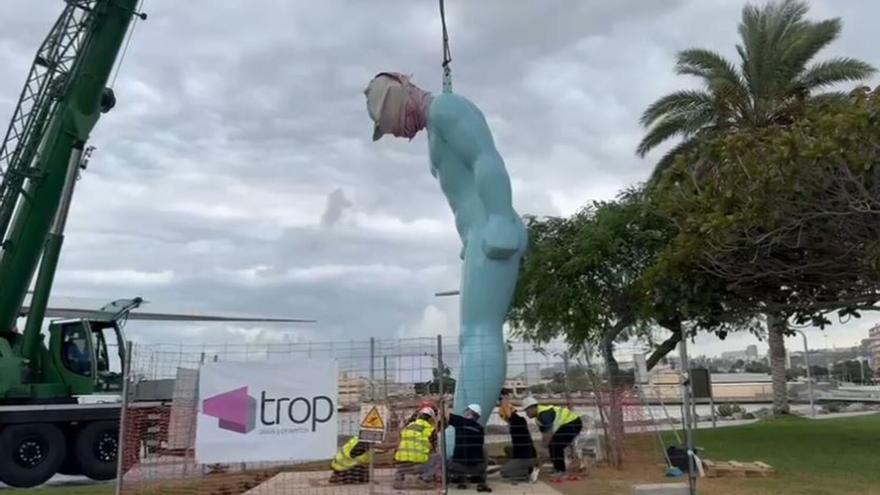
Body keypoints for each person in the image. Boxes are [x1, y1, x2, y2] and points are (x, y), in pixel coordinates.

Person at [365, 73, 527, 433]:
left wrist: (499, 217)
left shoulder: (447, 108)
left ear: (399, 96)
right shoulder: (437, 122)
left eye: (389, 122)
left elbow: (485, 158)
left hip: (491, 227)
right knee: (471, 336)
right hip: (478, 233)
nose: (395, 133)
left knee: (481, 331)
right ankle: (460, 432)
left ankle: (467, 437)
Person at [521, 397, 583, 481]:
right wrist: (543, 448)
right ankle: (557, 468)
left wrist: (542, 450)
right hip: (566, 424)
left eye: (527, 411)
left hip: (572, 422)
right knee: (552, 445)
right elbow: (545, 435)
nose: (526, 414)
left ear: (532, 408)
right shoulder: (538, 418)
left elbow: (548, 434)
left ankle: (561, 471)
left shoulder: (544, 414)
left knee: (556, 445)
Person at [445, 404, 491, 492]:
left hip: (459, 467)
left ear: (469, 412)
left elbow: (446, 415)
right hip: (478, 468)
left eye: (466, 411)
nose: (465, 412)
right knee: (483, 450)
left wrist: (445, 404)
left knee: (446, 461)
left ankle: (457, 477)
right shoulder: (480, 428)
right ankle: (479, 477)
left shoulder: (460, 421)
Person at [498, 392, 539, 483]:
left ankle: (527, 472)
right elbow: (509, 415)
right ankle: (522, 467)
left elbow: (510, 415)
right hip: (529, 455)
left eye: (503, 417)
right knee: (507, 448)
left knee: (504, 472)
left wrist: (504, 400)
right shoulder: (520, 421)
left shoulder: (517, 421)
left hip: (525, 457)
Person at [393, 406, 439, 487]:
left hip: (400, 465)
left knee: (404, 453)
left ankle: (399, 478)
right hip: (418, 466)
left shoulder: (408, 427)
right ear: (430, 419)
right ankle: (424, 479)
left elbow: (400, 443)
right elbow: (434, 448)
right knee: (438, 458)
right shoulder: (430, 429)